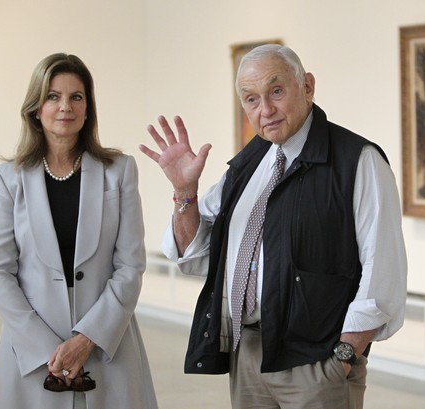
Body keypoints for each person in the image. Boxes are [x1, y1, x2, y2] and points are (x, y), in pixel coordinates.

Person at [139, 44, 407, 409]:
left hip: (317, 362)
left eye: (276, 92)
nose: (265, 110)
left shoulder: (358, 161)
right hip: (246, 354)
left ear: (308, 87)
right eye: (251, 99)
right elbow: (196, 253)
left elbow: (383, 269)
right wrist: (184, 191)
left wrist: (344, 357)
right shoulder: (249, 163)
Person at [0, 53, 158, 409]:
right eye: (53, 96)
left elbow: (130, 267)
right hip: (32, 358)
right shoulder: (6, 179)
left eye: (76, 97)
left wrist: (87, 339)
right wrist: (49, 348)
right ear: (36, 107)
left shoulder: (119, 171)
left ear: (88, 107)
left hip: (109, 349)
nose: (65, 107)